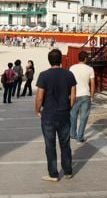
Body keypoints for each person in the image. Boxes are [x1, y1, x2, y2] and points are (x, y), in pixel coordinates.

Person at [35, 49, 77, 182]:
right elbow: (73, 96)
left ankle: (53, 174)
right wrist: (68, 107)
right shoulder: (69, 74)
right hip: (64, 113)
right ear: (61, 60)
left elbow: (40, 97)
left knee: (50, 145)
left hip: (48, 115)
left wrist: (37, 110)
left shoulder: (43, 75)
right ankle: (68, 171)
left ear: (49, 60)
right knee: (65, 144)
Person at [69, 51, 96, 143]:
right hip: (85, 94)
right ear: (85, 58)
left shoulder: (72, 68)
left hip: (74, 94)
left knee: (73, 115)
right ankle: (80, 136)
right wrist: (92, 96)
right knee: (83, 117)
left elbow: (69, 82)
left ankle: (72, 133)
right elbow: (92, 84)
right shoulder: (90, 69)